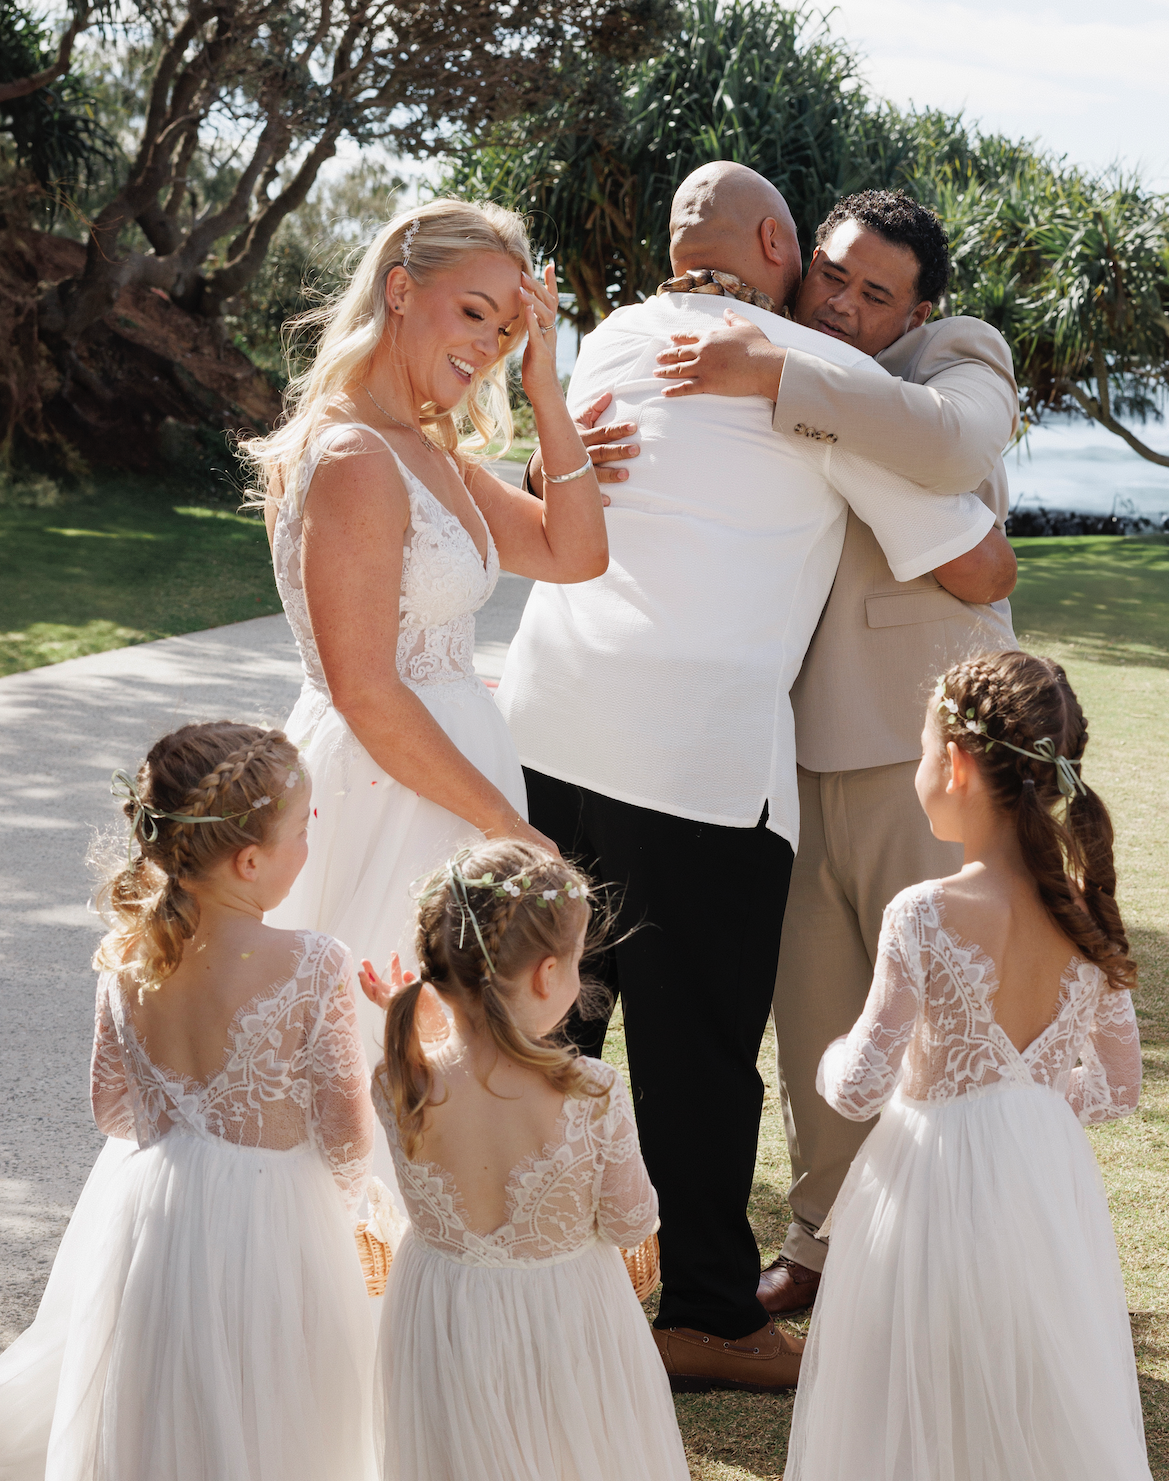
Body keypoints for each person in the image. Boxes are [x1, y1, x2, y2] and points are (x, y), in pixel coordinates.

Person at [496, 161, 1009, 1391]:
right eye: (824, 270)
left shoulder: (614, 338)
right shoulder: (799, 373)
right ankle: (715, 1317)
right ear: (781, 243)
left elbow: (566, 481)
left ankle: (517, 1274)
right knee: (700, 1046)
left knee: (546, 1018)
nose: (832, 298)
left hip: (545, 729)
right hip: (698, 760)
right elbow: (980, 567)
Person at [648, 188, 1021, 1314]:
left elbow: (955, 447)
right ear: (800, 261)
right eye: (835, 276)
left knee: (951, 1015)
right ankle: (819, 1247)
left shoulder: (952, 356)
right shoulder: (769, 348)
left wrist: (781, 376)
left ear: (917, 309)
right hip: (790, 747)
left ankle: (960, 1259)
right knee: (819, 1017)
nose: (847, 305)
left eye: (877, 293)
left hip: (931, 747)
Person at [243, 199, 608, 1197]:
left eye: (508, 326)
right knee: (377, 1055)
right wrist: (501, 826)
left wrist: (546, 387)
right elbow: (365, 688)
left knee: (443, 1069)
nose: (488, 344)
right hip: (387, 789)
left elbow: (578, 551)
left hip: (454, 777)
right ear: (401, 290)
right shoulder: (357, 456)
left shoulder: (431, 449)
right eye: (473, 313)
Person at [784, 651, 1150, 1480]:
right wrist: (1030, 1104)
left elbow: (863, 1085)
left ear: (953, 764)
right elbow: (1120, 1086)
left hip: (929, 1183)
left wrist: (830, 1058)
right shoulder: (1085, 914)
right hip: (1041, 1185)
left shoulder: (923, 913)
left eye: (920, 750)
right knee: (1031, 1373)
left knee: (909, 1381)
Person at [0, 722, 376, 1481]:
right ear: (249, 860)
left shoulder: (130, 960)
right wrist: (349, 1202)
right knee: (274, 1389)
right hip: (278, 1216)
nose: (309, 845)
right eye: (302, 831)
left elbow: (111, 1109)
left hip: (158, 1214)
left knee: (160, 1388)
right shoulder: (314, 963)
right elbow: (346, 1132)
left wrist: (187, 1128)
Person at [359, 840, 689, 1481]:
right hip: (562, 1321)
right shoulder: (592, 1091)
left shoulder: (398, 1080)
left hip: (442, 1317)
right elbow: (629, 1223)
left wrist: (420, 1023)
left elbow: (460, 1076)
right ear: (545, 975)